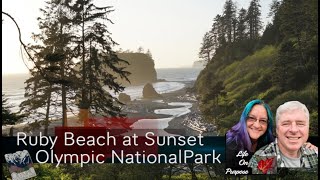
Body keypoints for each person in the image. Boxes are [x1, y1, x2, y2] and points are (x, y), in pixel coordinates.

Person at [248, 101, 318, 173]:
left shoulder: (315, 154)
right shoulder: (261, 159)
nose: (294, 130)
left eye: (300, 124)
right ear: (277, 129)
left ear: (308, 128)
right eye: (286, 124)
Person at [225, 99, 275, 170]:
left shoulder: (271, 143)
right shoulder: (229, 146)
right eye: (252, 118)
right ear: (244, 119)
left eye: (263, 121)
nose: (257, 125)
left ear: (268, 124)